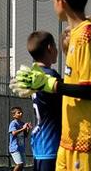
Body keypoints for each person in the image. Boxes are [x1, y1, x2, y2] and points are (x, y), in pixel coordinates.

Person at [17, 0, 91, 171]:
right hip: (70, 137)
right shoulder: (76, 35)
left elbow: (90, 90)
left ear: (60, 1)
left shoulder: (86, 36)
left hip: (89, 138)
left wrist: (49, 84)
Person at [25, 31, 62, 171]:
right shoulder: (50, 76)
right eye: (55, 46)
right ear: (50, 48)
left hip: (40, 141)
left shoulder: (32, 75)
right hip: (51, 142)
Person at [7, 106, 29, 171]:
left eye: (21, 112)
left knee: (22, 165)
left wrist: (27, 129)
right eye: (18, 113)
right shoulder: (13, 123)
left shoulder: (22, 123)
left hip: (21, 148)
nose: (21, 113)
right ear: (14, 115)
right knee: (19, 164)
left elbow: (25, 135)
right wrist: (23, 128)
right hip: (15, 148)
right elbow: (13, 133)